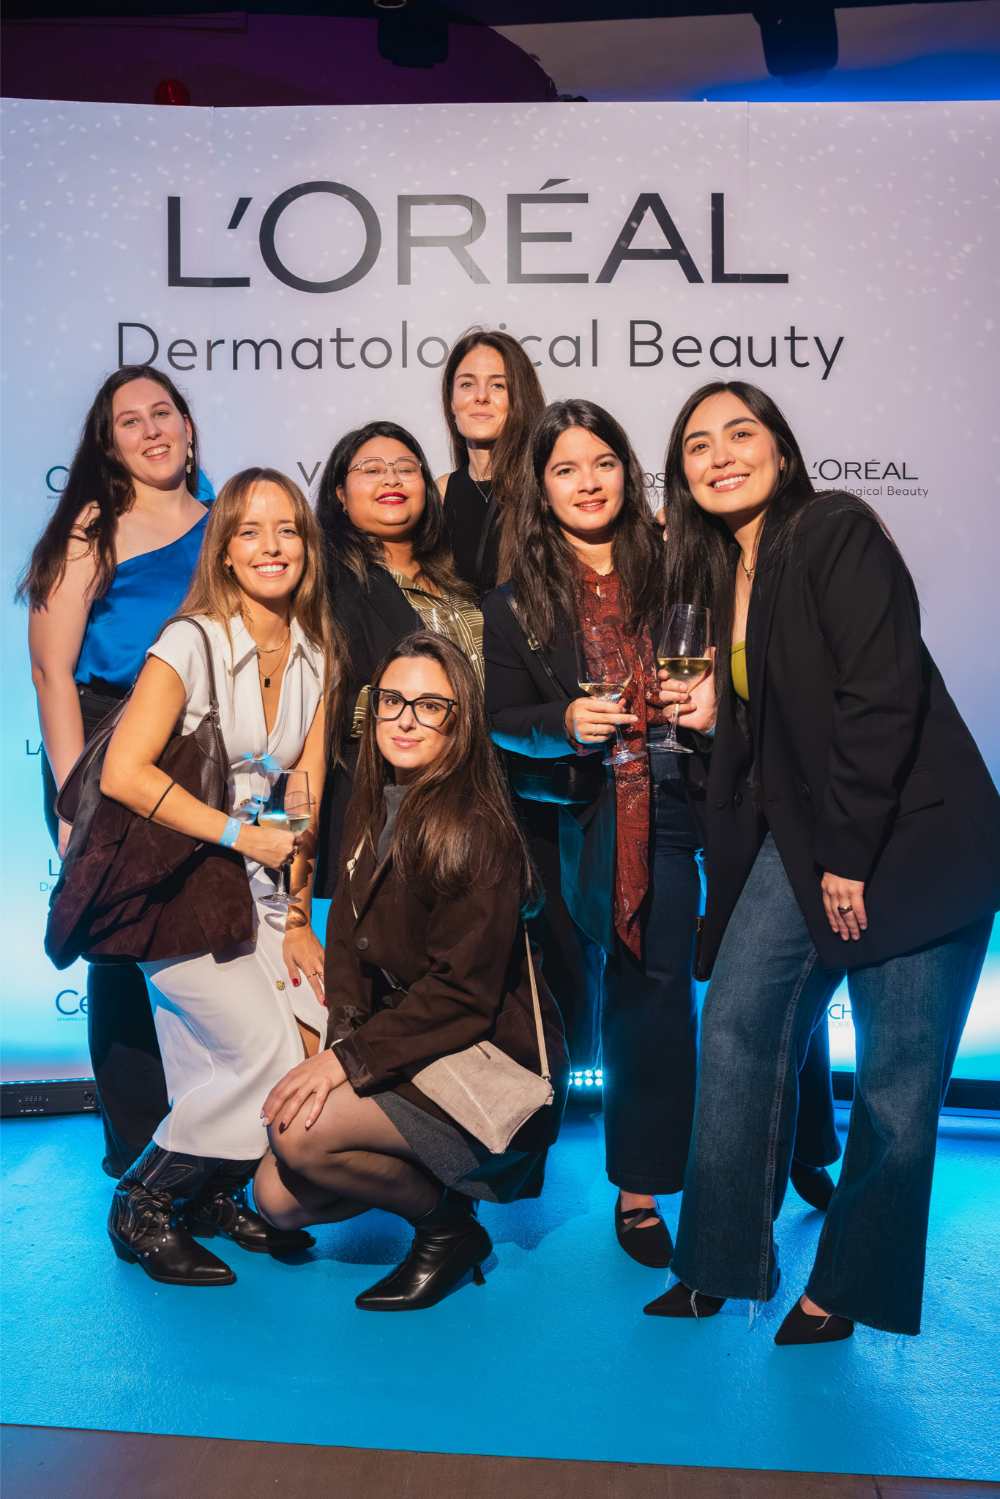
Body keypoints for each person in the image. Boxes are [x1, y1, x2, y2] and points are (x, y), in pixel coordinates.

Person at [645, 380, 999, 1342]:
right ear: (681, 475)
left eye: (740, 432)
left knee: (895, 1086)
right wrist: (722, 714)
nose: (721, 455)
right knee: (735, 1025)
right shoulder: (726, 573)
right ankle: (717, 1260)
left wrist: (848, 854)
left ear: (782, 448)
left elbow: (880, 694)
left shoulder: (833, 528)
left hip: (914, 842)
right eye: (697, 445)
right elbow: (780, 726)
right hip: (808, 840)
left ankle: (842, 1289)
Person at [254, 632, 568, 1311]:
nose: (405, 719)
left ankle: (448, 1229)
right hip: (410, 1045)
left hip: (482, 1060)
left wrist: (344, 1065)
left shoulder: (478, 829)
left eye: (430, 706)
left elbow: (462, 997)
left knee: (300, 1136)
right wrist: (342, 1046)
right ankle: (436, 1184)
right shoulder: (374, 802)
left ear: (461, 720)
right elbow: (348, 948)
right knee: (275, 1199)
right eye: (392, 700)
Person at [98, 467, 341, 1286]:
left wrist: (299, 919)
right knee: (262, 1050)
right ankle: (143, 1201)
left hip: (260, 889)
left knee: (315, 1030)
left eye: (288, 530)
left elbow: (304, 797)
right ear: (225, 551)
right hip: (173, 888)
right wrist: (240, 833)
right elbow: (124, 772)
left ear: (307, 547)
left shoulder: (316, 653)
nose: (272, 547)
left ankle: (212, 1195)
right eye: (250, 531)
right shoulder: (191, 641)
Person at [19, 364, 210, 1177]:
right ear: (109, 444)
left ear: (188, 427)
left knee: (207, 952)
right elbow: (51, 672)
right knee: (124, 957)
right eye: (130, 421)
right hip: (105, 748)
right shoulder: (91, 529)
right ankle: (138, 1161)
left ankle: (211, 1154)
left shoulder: (228, 520)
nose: (151, 429)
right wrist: (75, 802)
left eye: (162, 413)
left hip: (201, 751)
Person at [313, 420, 482, 892]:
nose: (391, 479)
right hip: (380, 807)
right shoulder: (326, 582)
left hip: (471, 801)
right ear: (340, 494)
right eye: (371, 469)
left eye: (406, 468)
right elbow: (324, 708)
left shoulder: (458, 580)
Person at [436, 327, 545, 595]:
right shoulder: (440, 493)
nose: (481, 396)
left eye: (498, 385)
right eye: (467, 384)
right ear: (451, 401)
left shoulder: (543, 488)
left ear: (519, 398)